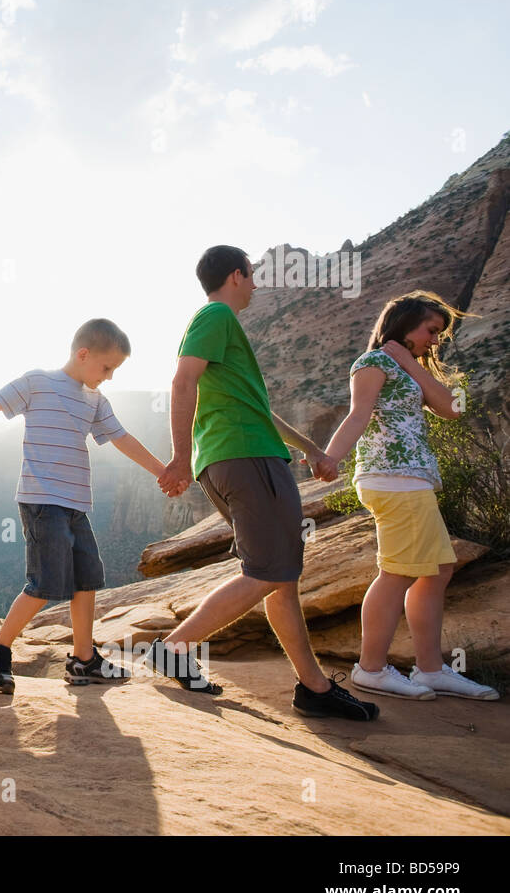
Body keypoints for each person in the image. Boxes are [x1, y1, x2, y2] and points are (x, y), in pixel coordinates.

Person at [153, 245, 379, 720]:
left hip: (237, 454)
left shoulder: (222, 328)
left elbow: (262, 412)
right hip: (245, 458)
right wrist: (175, 457)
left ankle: (313, 688)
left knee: (280, 578)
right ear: (235, 275)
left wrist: (311, 449)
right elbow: (181, 382)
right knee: (269, 574)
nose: (255, 285)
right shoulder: (216, 315)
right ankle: (174, 647)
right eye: (251, 275)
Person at [0, 319, 165, 693]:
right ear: (83, 354)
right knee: (44, 584)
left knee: (86, 581)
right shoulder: (38, 382)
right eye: (106, 368)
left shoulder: (96, 401)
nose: (109, 376)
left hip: (76, 505)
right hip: (42, 502)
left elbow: (122, 438)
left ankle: (84, 660)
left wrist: (161, 471)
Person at [319, 292, 498, 701]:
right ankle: (370, 669)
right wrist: (330, 458)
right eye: (430, 330)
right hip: (390, 478)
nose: (435, 340)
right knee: (398, 572)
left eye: (439, 334)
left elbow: (452, 408)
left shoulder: (405, 365)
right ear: (403, 323)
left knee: (436, 571)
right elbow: (358, 416)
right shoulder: (371, 363)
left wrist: (409, 363)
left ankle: (430, 670)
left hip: (413, 480)